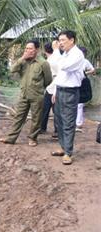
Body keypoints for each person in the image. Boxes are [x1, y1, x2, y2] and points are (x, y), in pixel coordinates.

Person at [0, 40, 52, 146]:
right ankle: (11, 138)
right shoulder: (23, 61)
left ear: (37, 50)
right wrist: (22, 58)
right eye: (26, 48)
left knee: (36, 118)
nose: (27, 51)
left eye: (30, 48)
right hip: (23, 94)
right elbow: (12, 69)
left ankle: (33, 138)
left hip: (37, 95)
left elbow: (48, 80)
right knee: (19, 116)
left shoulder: (43, 63)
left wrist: (38, 88)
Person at [51, 30, 85, 165]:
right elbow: (60, 75)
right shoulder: (65, 54)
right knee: (58, 120)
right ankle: (62, 146)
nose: (60, 43)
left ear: (72, 40)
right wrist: (54, 91)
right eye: (59, 41)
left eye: (63, 40)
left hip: (70, 92)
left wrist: (55, 52)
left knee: (68, 122)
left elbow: (64, 67)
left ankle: (68, 152)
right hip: (60, 90)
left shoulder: (77, 55)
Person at [40, 40, 61, 138]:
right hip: (50, 87)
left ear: (45, 51)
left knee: (54, 109)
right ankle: (43, 127)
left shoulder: (52, 59)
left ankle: (56, 130)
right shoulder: (53, 58)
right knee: (48, 108)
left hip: (54, 86)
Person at [76, 46, 95, 132]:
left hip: (83, 82)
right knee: (74, 102)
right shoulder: (74, 60)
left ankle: (79, 123)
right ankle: (74, 121)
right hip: (74, 82)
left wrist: (84, 73)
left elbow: (93, 70)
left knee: (80, 103)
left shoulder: (85, 61)